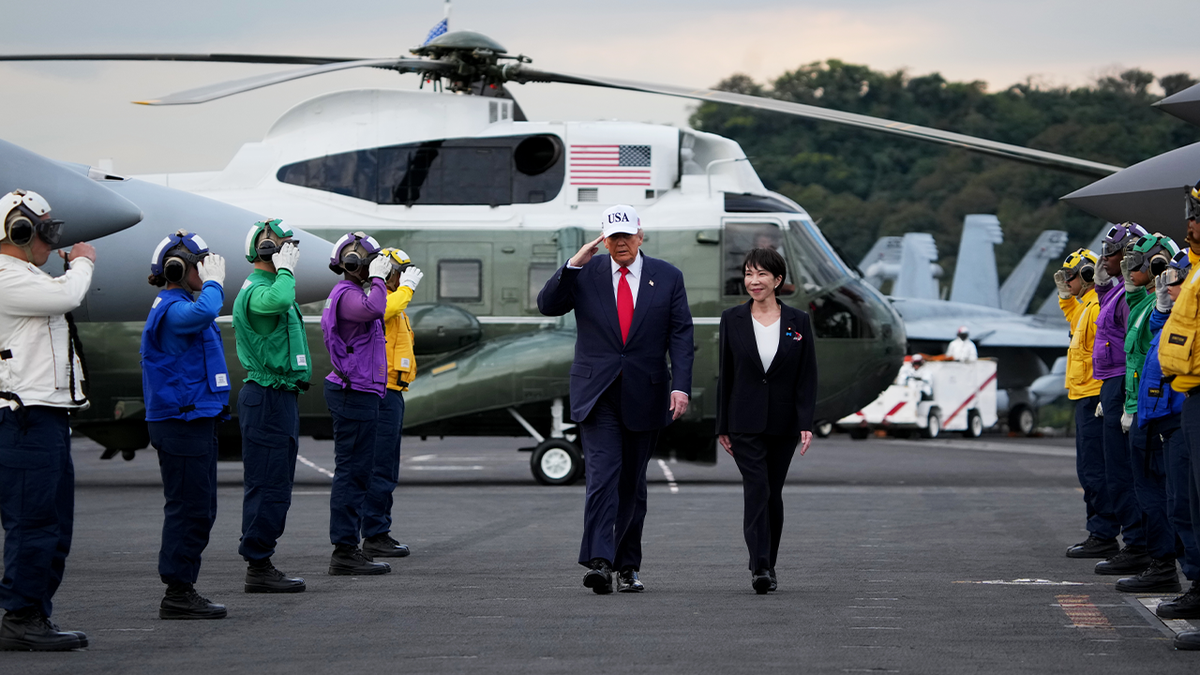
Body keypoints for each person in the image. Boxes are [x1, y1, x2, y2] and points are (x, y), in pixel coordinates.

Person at [537, 204, 694, 594]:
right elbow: (547, 305)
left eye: (626, 235)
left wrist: (681, 386)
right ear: (604, 240)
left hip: (646, 391)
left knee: (632, 484)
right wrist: (573, 264)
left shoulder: (668, 276)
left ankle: (627, 566)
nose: (621, 242)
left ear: (641, 235)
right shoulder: (585, 272)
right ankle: (599, 562)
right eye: (613, 237)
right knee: (602, 475)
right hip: (598, 393)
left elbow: (681, 335)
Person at [0, 189, 92, 651]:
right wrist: (83, 262)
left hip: (45, 416)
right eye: (45, 231)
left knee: (53, 524)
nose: (52, 241)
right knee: (33, 521)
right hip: (24, 418)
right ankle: (21, 618)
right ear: (19, 231)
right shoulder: (5, 277)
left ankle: (34, 613)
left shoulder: (27, 278)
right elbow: (68, 295)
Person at [140, 230, 230, 619]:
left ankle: (182, 587)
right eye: (201, 264)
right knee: (188, 508)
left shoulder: (181, 304)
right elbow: (205, 313)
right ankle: (177, 592)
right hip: (180, 422)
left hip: (195, 419)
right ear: (178, 268)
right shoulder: (173, 308)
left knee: (201, 508)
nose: (207, 270)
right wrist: (214, 283)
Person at [716, 247, 817, 594]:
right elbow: (726, 374)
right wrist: (722, 425)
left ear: (777, 280)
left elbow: (806, 376)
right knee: (757, 488)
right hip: (743, 421)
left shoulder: (798, 321)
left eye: (761, 274)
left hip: (783, 422)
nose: (753, 281)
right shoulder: (732, 318)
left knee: (773, 494)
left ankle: (769, 563)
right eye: (748, 274)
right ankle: (759, 566)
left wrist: (806, 422)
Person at [233, 218, 309, 594]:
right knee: (268, 484)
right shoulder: (260, 290)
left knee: (276, 482)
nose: (291, 250)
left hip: (278, 395)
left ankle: (261, 561)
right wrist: (286, 270)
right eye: (284, 244)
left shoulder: (268, 284)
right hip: (267, 397)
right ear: (266, 249)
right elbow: (279, 301)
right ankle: (258, 565)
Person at [1115, 234, 1183, 593]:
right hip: (1147, 408)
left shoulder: (1177, 305)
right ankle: (1160, 562)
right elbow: (1141, 353)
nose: (1130, 268)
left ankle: (1163, 565)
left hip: (1163, 411)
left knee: (1160, 493)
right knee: (1149, 490)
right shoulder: (1148, 306)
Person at [322, 232, 392, 576]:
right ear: (354, 264)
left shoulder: (350, 293)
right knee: (351, 473)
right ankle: (344, 551)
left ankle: (348, 548)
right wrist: (378, 278)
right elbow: (376, 308)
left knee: (358, 471)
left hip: (361, 391)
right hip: (354, 393)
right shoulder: (349, 295)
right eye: (371, 263)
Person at [1085, 223, 1151, 575]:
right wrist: (1101, 287)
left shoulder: (1130, 297)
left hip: (1121, 382)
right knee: (1116, 470)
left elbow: (1132, 350)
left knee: (1123, 470)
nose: (1104, 259)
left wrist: (1126, 396)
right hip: (1112, 382)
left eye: (1111, 254)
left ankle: (1138, 544)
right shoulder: (1117, 293)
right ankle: (1136, 542)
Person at [1157, 181, 1200, 649]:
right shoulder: (1196, 272)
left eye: (1196, 214)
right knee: (1189, 504)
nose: (1189, 222)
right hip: (1190, 395)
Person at [1055, 249, 1117, 560]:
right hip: (1084, 395)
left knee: (1094, 471)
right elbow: (1073, 318)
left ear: (1088, 275)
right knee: (1088, 469)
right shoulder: (1087, 306)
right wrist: (1065, 297)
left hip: (1093, 396)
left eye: (1071, 277)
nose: (1067, 282)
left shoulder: (1096, 306)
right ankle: (1101, 531)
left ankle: (1103, 534)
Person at [361, 247, 423, 559]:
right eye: (401, 272)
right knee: (380, 466)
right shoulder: (379, 300)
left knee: (387, 466)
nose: (404, 278)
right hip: (381, 393)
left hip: (393, 391)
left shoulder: (396, 302)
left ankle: (379, 530)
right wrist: (407, 288)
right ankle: (374, 533)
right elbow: (383, 309)